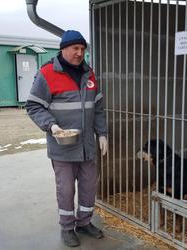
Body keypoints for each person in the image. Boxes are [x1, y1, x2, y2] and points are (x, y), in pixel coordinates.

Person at [25, 30, 108, 247]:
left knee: (89, 186)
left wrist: (102, 134)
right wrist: (51, 125)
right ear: (63, 49)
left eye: (83, 49)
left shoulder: (89, 73)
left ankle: (84, 222)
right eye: (75, 49)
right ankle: (67, 227)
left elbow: (97, 107)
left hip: (87, 146)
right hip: (62, 146)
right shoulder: (47, 73)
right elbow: (33, 105)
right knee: (66, 189)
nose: (80, 53)